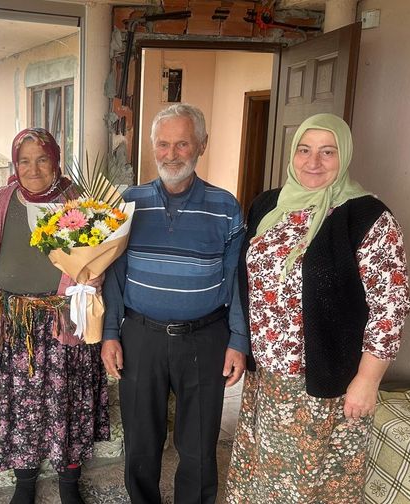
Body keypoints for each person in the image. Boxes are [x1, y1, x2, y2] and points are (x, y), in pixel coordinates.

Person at [225, 113, 410, 503]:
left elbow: (390, 307)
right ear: (292, 154)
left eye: (327, 152)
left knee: (309, 485)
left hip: (323, 382)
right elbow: (249, 282)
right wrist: (240, 342)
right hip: (268, 378)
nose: (314, 162)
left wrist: (368, 380)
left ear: (343, 157)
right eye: (305, 151)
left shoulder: (366, 217)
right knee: (262, 475)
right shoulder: (267, 205)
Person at [101, 103, 248, 504]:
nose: (171, 154)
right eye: (163, 144)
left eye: (182, 143)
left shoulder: (225, 206)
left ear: (202, 144)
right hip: (140, 336)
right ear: (151, 147)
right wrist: (111, 333)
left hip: (205, 337)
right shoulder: (127, 204)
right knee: (141, 441)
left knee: (199, 445)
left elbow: (238, 279)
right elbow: (113, 274)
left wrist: (238, 339)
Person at [0, 128, 109, 504]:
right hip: (17, 326)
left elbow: (99, 262)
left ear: (56, 160)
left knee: (68, 403)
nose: (33, 168)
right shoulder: (0, 201)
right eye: (24, 160)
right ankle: (24, 484)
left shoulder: (80, 202)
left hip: (65, 322)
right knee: (19, 403)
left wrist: (80, 289)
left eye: (42, 159)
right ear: (15, 164)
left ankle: (68, 485)